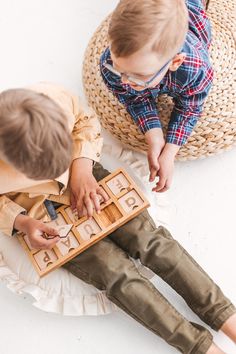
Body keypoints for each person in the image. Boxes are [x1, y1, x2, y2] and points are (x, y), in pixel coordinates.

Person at [0, 83, 235, 354]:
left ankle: (226, 317)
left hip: (85, 174)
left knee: (152, 243)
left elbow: (84, 121)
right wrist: (22, 222)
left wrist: (81, 169)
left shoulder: (51, 99)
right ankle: (200, 348)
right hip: (42, 215)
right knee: (116, 275)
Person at [100, 0, 213, 193]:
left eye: (139, 76)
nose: (124, 81)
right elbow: (133, 98)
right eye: (119, 68)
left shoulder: (195, 69)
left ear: (175, 62)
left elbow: (190, 107)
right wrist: (154, 136)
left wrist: (169, 152)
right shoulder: (109, 64)